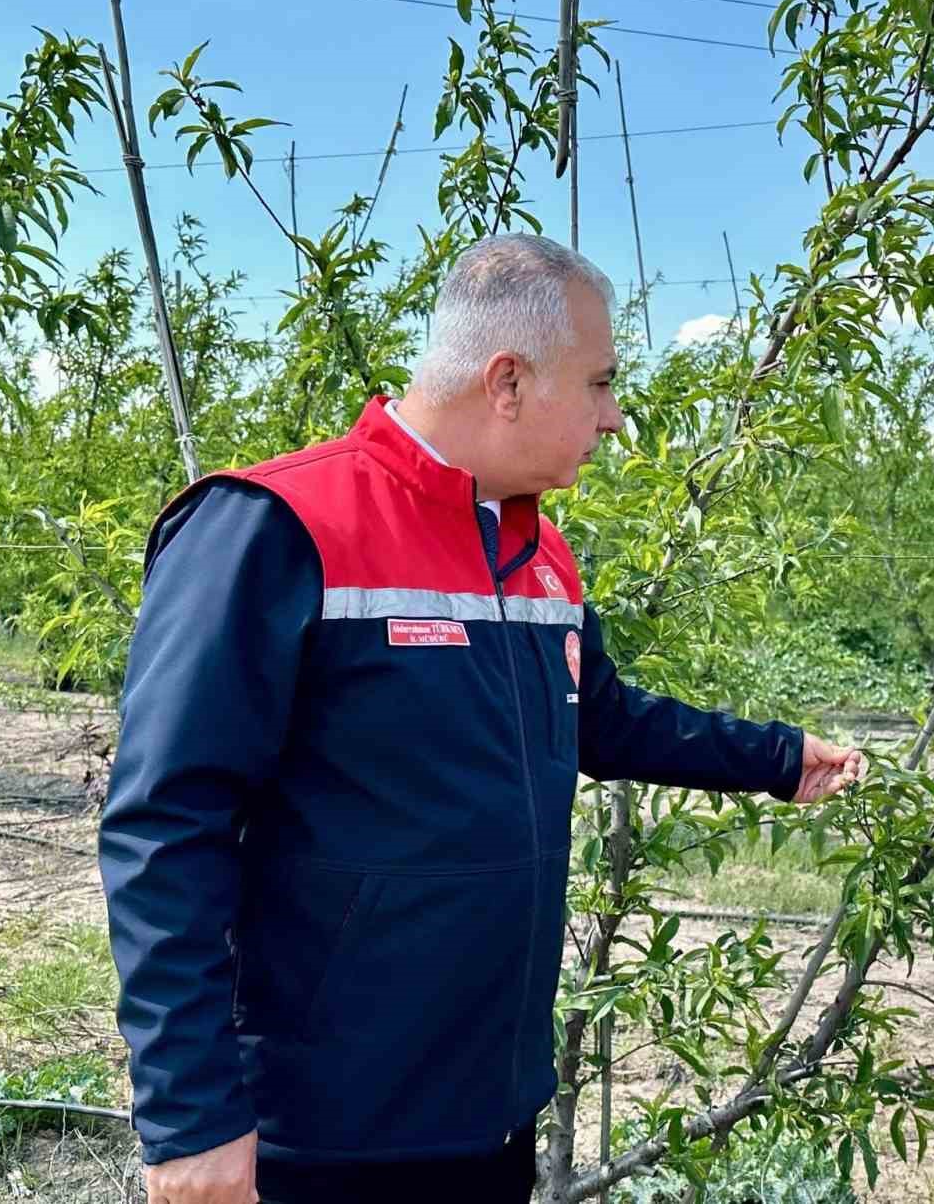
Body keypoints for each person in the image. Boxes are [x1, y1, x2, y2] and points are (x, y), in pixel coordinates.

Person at [99, 234, 867, 1204]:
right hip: (324, 1122)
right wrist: (190, 1113)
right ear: (507, 380)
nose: (614, 415)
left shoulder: (533, 553)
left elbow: (604, 718)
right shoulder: (279, 526)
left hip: (488, 1103)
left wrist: (774, 757)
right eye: (597, 383)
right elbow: (165, 824)